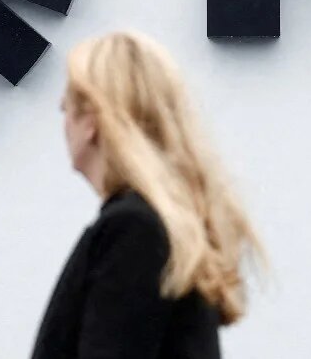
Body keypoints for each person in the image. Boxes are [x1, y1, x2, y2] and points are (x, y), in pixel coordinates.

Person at [31, 31, 264, 359]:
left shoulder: (134, 230)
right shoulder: (163, 227)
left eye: (66, 109)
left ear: (92, 120)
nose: (64, 124)